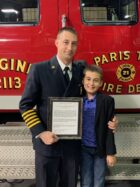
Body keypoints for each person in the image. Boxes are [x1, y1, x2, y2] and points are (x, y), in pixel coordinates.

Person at [19, 27, 117, 187]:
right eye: (65, 42)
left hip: (72, 146)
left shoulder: (81, 70)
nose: (70, 47)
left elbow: (95, 97)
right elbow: (25, 105)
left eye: (74, 44)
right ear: (56, 43)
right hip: (48, 144)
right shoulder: (39, 69)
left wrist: (111, 120)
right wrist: (41, 132)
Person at [80, 65, 117, 187]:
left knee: (99, 180)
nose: (91, 83)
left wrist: (110, 153)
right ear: (83, 80)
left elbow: (110, 128)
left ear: (101, 83)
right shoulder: (76, 100)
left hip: (100, 150)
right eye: (88, 79)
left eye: (96, 80)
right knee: (85, 180)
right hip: (83, 149)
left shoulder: (107, 101)